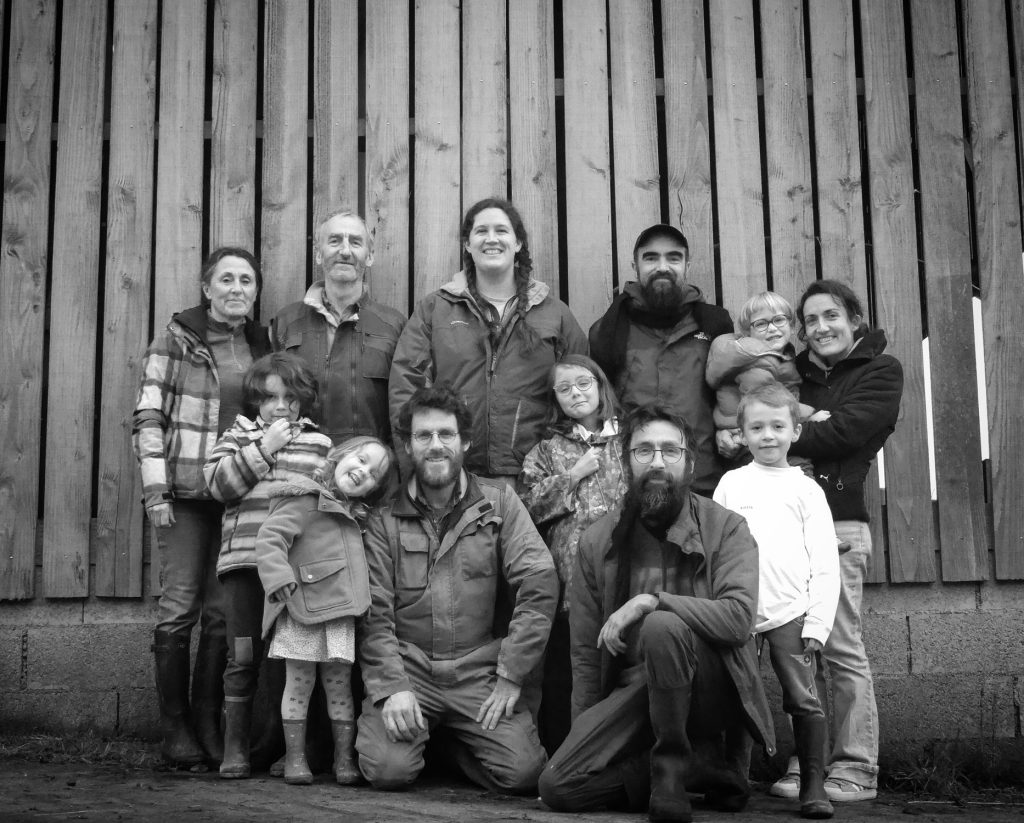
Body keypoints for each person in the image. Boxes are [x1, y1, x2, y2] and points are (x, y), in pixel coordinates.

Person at [538, 405, 775, 823]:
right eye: (644, 451)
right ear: (625, 461)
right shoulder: (598, 541)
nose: (658, 462)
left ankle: (669, 773)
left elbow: (738, 619)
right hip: (636, 695)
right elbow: (586, 654)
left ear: (689, 462)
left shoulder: (725, 528)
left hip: (709, 692)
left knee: (662, 625)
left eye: (671, 450)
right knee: (558, 785)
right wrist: (586, 740)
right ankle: (697, 767)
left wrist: (653, 600)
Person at [356, 384, 558, 794]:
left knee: (524, 774)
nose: (435, 445)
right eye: (423, 435)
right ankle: (425, 734)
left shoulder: (499, 503)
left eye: (446, 434)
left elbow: (539, 582)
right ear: (408, 446)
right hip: (410, 671)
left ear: (464, 442)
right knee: (387, 772)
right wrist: (392, 687)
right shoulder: (383, 519)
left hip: (478, 672)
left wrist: (512, 673)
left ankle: (448, 745)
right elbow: (373, 613)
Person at [133, 247, 272, 767]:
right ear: (207, 287)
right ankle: (175, 729)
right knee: (180, 605)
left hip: (237, 495)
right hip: (186, 496)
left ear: (255, 291)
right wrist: (156, 489)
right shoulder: (176, 340)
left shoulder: (260, 343)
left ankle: (209, 724)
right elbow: (148, 416)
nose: (237, 288)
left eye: (246, 281)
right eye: (226, 279)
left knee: (221, 614)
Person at [769, 280, 903, 804]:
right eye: (811, 320)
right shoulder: (793, 374)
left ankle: (856, 767)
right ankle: (809, 765)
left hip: (840, 524)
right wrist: (788, 427)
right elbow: (760, 420)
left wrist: (778, 433)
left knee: (840, 646)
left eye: (831, 316)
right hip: (787, 528)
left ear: (854, 320)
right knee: (796, 649)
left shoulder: (879, 371)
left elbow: (844, 433)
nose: (821, 327)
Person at [388, 197, 588, 482]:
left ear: (518, 243)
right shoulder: (435, 309)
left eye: (501, 231)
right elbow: (406, 387)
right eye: (481, 231)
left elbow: (584, 394)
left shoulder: (554, 314)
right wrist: (415, 467)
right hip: (453, 477)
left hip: (536, 478)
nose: (491, 239)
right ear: (467, 245)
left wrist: (566, 469)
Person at [713, 383, 840, 819]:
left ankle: (813, 784)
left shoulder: (807, 490)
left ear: (795, 431)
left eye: (777, 426)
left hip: (792, 612)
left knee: (803, 699)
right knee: (736, 697)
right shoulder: (731, 484)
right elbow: (715, 549)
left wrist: (818, 622)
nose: (767, 435)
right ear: (742, 434)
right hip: (739, 613)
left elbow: (825, 561)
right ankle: (732, 781)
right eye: (757, 427)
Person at [203, 352, 333, 778]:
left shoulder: (319, 444)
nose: (281, 407)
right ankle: (236, 749)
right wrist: (264, 447)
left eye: (291, 398)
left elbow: (326, 505)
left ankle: (286, 749)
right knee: (242, 656)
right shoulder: (237, 437)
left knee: (291, 659)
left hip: (294, 573)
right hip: (244, 566)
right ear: (256, 399)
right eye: (271, 397)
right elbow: (218, 485)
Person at [254, 436, 393, 785]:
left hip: (340, 615)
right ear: (338, 456)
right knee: (299, 685)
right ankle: (295, 759)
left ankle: (343, 759)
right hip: (302, 610)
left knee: (339, 687)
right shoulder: (304, 500)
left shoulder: (359, 517)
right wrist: (278, 577)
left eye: (374, 474)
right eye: (360, 460)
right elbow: (270, 538)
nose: (363, 472)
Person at [518, 354, 628, 753]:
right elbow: (527, 505)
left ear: (600, 385)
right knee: (568, 670)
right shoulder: (547, 449)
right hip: (570, 581)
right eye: (564, 389)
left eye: (583, 383)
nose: (576, 393)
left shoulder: (629, 439)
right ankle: (565, 755)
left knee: (622, 666)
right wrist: (573, 474)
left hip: (625, 574)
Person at [589, 225, 734, 496]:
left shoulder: (714, 324)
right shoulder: (608, 330)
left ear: (687, 265)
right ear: (635, 266)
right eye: (651, 258)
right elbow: (596, 409)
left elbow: (731, 394)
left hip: (702, 479)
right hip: (631, 481)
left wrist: (730, 430)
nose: (662, 266)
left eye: (673, 258)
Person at [272, 208, 405, 445]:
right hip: (299, 460)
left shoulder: (394, 325)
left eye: (355, 242)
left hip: (369, 463)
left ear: (370, 256)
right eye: (334, 241)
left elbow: (405, 405)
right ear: (318, 254)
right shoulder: (286, 322)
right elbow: (268, 399)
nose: (344, 251)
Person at [705, 291, 821, 465]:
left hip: (761, 431)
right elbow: (766, 401)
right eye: (761, 324)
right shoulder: (755, 361)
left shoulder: (780, 357)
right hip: (750, 437)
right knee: (799, 467)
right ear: (748, 333)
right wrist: (810, 415)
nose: (772, 328)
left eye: (779, 320)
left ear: (791, 325)